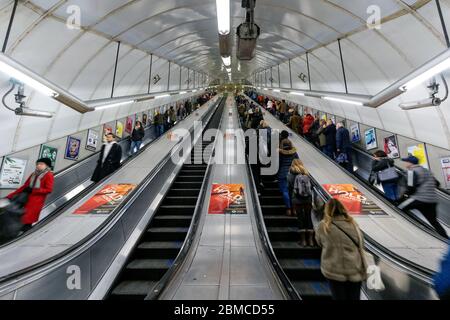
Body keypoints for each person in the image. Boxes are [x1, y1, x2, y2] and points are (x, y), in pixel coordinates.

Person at [316, 198, 368, 300]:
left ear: (327, 210)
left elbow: (319, 242)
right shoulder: (353, 224)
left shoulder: (323, 226)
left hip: (334, 270)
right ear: (343, 209)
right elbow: (362, 244)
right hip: (354, 269)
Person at [398, 156, 448, 239]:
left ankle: (407, 233)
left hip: (419, 199)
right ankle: (445, 238)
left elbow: (410, 187)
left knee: (398, 208)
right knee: (433, 221)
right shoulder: (427, 171)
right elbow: (437, 183)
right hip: (432, 201)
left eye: (406, 162)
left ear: (410, 163)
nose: (405, 163)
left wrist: (402, 197)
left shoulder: (411, 172)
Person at [6, 158, 54, 232]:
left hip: (36, 202)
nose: (38, 165)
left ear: (47, 166)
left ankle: (25, 236)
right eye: (37, 164)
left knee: (27, 221)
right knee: (21, 218)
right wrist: (10, 196)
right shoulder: (33, 174)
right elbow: (25, 186)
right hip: (26, 199)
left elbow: (48, 190)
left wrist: (33, 190)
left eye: (41, 164)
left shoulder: (49, 175)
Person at [287, 160, 314, 247]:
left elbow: (289, 187)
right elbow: (312, 186)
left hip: (297, 200)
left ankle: (303, 241)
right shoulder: (306, 173)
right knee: (308, 217)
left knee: (300, 218)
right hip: (308, 199)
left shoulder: (291, 174)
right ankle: (310, 240)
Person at [277, 132, 299, 216]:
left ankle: (288, 209)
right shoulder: (294, 153)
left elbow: (277, 164)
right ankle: (294, 209)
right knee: (293, 191)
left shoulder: (280, 153)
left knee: (285, 191)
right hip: (293, 173)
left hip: (282, 173)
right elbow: (298, 161)